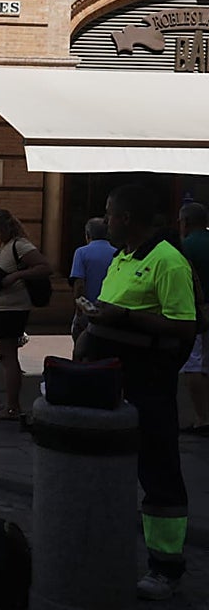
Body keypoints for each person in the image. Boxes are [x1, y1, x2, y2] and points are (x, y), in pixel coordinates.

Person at [74, 184, 197, 601]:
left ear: (127, 219)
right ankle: (104, 545)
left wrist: (125, 316)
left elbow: (184, 326)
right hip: (109, 381)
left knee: (158, 470)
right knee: (105, 467)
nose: (105, 220)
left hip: (150, 384)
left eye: (109, 214)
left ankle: (166, 566)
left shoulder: (168, 262)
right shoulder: (120, 258)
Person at [0, 208, 52, 420]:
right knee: (5, 355)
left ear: (5, 227)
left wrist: (16, 276)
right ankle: (10, 402)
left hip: (11, 308)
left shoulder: (20, 245)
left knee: (8, 357)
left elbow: (44, 267)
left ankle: (13, 406)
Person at [178, 202, 209, 434]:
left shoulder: (185, 247)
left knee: (194, 364)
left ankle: (202, 417)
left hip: (198, 311)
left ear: (185, 222)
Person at [69, 217, 116, 345]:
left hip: (88, 310)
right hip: (109, 310)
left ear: (87, 235)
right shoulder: (117, 253)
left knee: (81, 347)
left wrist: (79, 310)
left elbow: (79, 284)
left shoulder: (82, 252)